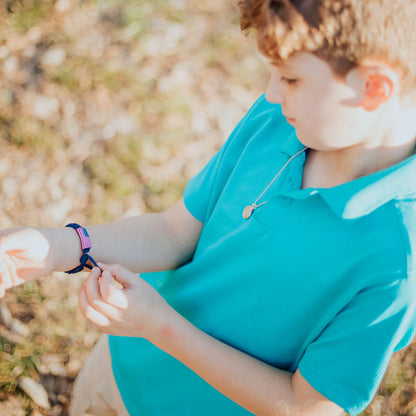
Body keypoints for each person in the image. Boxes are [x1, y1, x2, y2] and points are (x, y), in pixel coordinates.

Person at [1, 0, 416, 415]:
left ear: (374, 88)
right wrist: (57, 246)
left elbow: (307, 407)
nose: (271, 92)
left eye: (290, 78)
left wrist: (160, 326)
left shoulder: (396, 260)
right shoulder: (279, 120)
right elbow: (174, 232)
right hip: (123, 365)